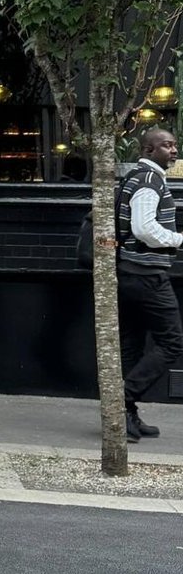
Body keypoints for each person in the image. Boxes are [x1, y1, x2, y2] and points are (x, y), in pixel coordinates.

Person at [117, 127, 183, 442]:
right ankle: (123, 402)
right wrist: (178, 239)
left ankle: (125, 417)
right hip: (146, 277)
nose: (173, 150)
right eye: (166, 146)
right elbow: (144, 229)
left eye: (174, 145)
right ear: (148, 150)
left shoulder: (140, 178)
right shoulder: (148, 181)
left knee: (132, 345)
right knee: (172, 342)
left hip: (131, 274)